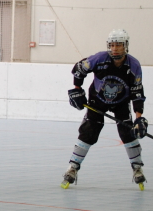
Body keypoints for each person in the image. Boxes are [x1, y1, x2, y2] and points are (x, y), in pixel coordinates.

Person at [62, 29, 147, 190]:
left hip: (121, 102)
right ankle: (73, 167)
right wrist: (77, 89)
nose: (115, 48)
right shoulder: (99, 59)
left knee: (128, 133)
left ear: (126, 46)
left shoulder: (134, 65)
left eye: (119, 45)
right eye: (112, 45)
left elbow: (137, 93)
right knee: (88, 132)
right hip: (97, 100)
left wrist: (138, 118)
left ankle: (137, 168)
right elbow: (79, 69)